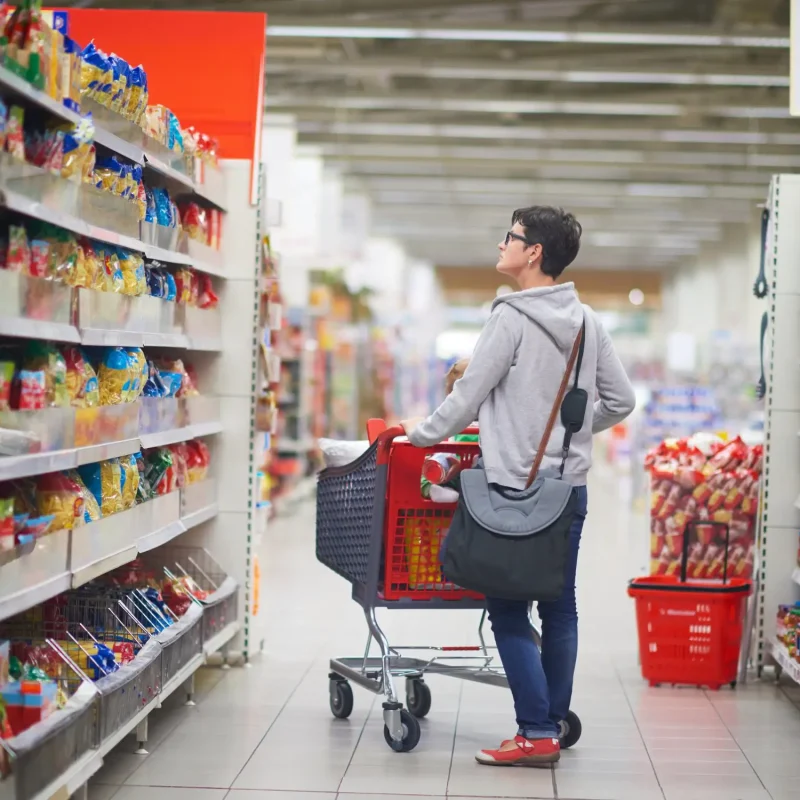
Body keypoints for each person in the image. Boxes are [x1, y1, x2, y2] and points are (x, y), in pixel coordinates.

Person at [400, 205, 636, 767]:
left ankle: (535, 733)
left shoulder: (510, 317)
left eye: (511, 236)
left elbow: (468, 398)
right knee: (560, 609)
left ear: (533, 253)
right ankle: (550, 721)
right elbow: (621, 401)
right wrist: (569, 433)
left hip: (511, 488)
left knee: (508, 611)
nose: (501, 243)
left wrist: (420, 434)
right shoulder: (587, 321)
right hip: (567, 490)